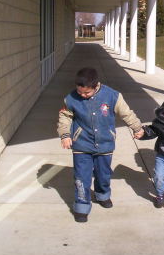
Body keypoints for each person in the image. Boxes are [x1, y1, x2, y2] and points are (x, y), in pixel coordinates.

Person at [57, 67, 144, 222]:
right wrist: (65, 134)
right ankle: (81, 205)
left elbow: (126, 113)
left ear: (96, 86)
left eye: (86, 93)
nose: (82, 95)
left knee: (103, 174)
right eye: (80, 92)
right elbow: (65, 117)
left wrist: (137, 127)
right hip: (81, 145)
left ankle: (102, 194)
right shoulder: (71, 98)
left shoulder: (112, 96)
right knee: (81, 177)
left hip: (105, 144)